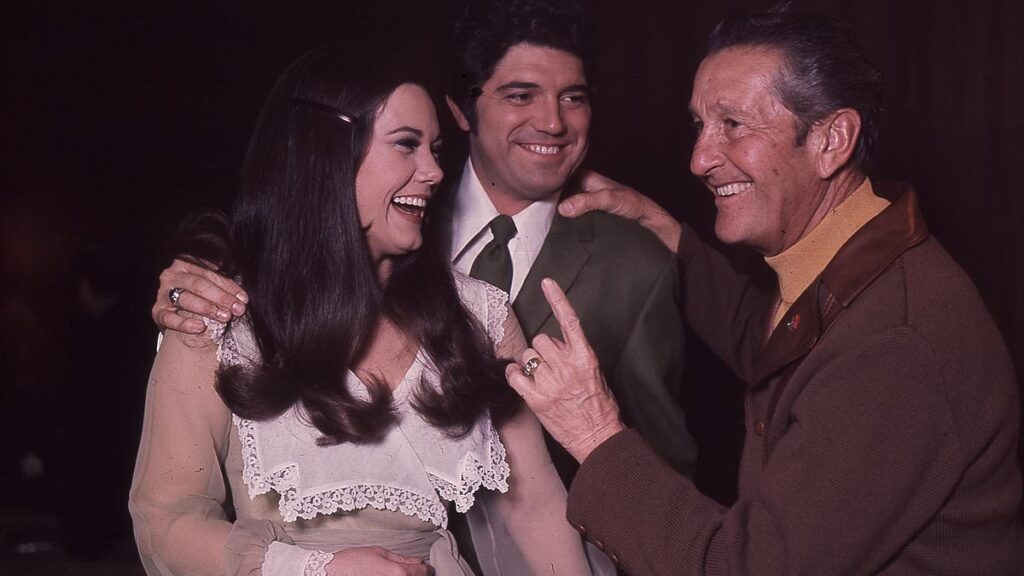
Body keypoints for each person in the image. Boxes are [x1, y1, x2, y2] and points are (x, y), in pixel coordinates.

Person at [506, 5, 1024, 575]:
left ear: (832, 140)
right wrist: (666, 232)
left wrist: (594, 431)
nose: (699, 159)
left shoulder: (893, 344)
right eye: (700, 125)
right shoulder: (858, 254)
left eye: (733, 124)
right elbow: (779, 346)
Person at [152, 0, 696, 489]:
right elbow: (286, 242)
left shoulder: (639, 265)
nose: (553, 122)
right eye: (520, 95)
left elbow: (659, 471)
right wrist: (197, 280)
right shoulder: (393, 207)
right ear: (461, 108)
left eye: (573, 98)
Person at [129, 46, 595, 576]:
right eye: (406, 145)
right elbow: (166, 520)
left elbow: (536, 506)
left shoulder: (480, 315)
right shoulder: (215, 317)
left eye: (435, 149)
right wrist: (314, 569)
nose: (434, 171)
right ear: (327, 156)